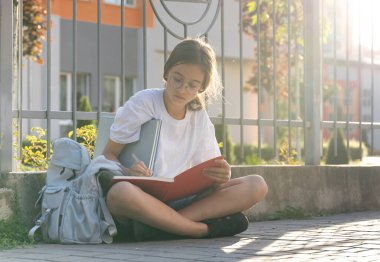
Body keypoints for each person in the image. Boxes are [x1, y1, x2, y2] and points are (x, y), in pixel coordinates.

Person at [100, 38, 268, 241]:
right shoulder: (144, 103)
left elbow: (209, 178)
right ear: (166, 73)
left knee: (256, 185)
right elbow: (108, 154)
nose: (182, 89)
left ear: (201, 87)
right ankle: (200, 230)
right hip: (141, 199)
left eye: (192, 85)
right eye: (177, 79)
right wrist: (128, 171)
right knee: (119, 194)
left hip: (184, 202)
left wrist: (222, 175)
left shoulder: (199, 116)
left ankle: (163, 226)